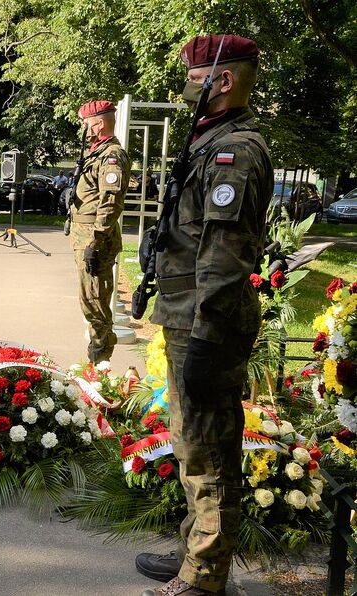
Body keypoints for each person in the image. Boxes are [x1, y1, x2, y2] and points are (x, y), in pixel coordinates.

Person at [136, 35, 272, 596]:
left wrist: (207, 340)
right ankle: (198, 546)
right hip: (187, 313)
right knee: (195, 438)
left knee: (205, 448)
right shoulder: (209, 141)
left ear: (221, 80)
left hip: (204, 321)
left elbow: (224, 256)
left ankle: (203, 578)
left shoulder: (234, 151)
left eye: (194, 77)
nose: (186, 86)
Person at [68, 100, 131, 364]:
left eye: (86, 124)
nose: (84, 129)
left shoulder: (111, 155)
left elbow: (110, 201)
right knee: (89, 301)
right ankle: (96, 360)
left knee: (96, 303)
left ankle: (100, 365)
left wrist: (96, 239)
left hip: (95, 240)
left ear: (99, 123)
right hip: (85, 237)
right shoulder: (95, 152)